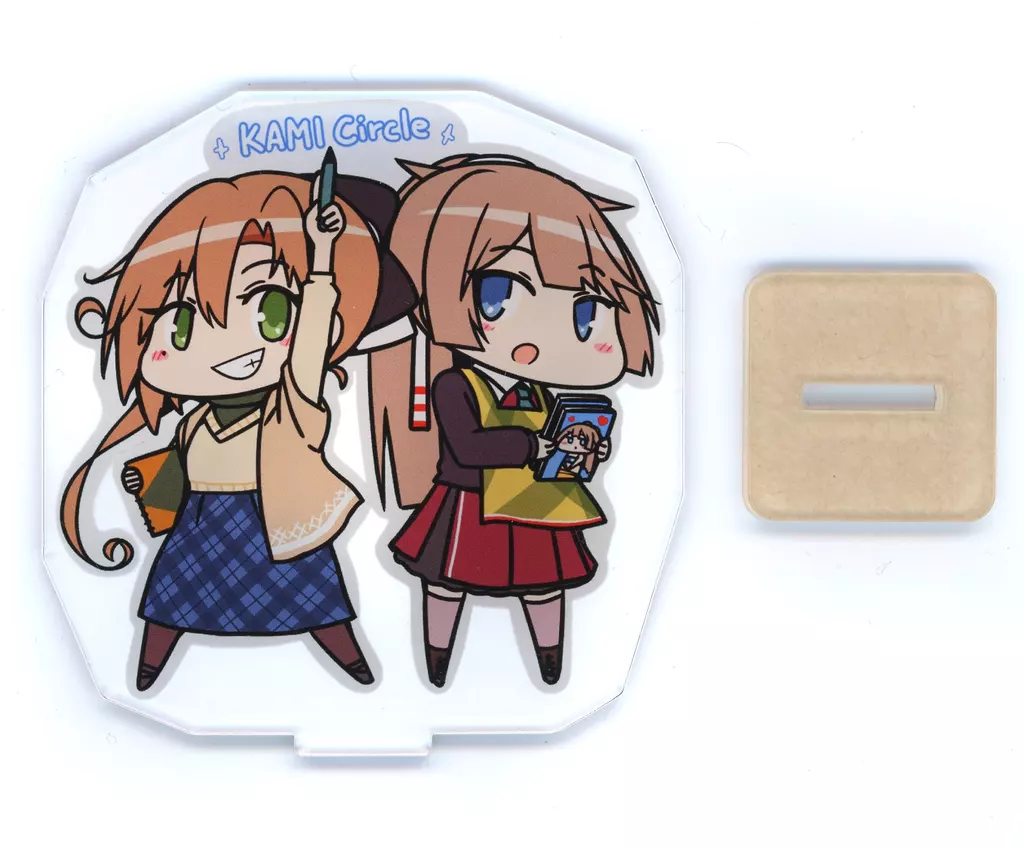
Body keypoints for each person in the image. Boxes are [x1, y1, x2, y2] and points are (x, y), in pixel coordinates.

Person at [61, 168, 416, 691]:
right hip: (201, 524)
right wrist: (153, 482)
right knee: (170, 599)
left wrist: (322, 257)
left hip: (276, 523)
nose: (224, 344)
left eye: (270, 312)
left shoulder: (293, 403)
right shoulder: (195, 421)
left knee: (317, 603)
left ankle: (353, 662)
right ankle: (149, 667)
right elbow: (182, 470)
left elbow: (311, 338)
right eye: (183, 323)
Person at [368, 154, 660, 687]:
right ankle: (437, 657)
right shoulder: (454, 383)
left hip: (536, 504)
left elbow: (562, 441)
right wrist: (535, 446)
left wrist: (585, 448)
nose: (538, 334)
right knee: (445, 583)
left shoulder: (544, 394)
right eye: (498, 296)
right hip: (468, 501)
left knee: (544, 587)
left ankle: (550, 660)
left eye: (585, 313)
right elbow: (469, 446)